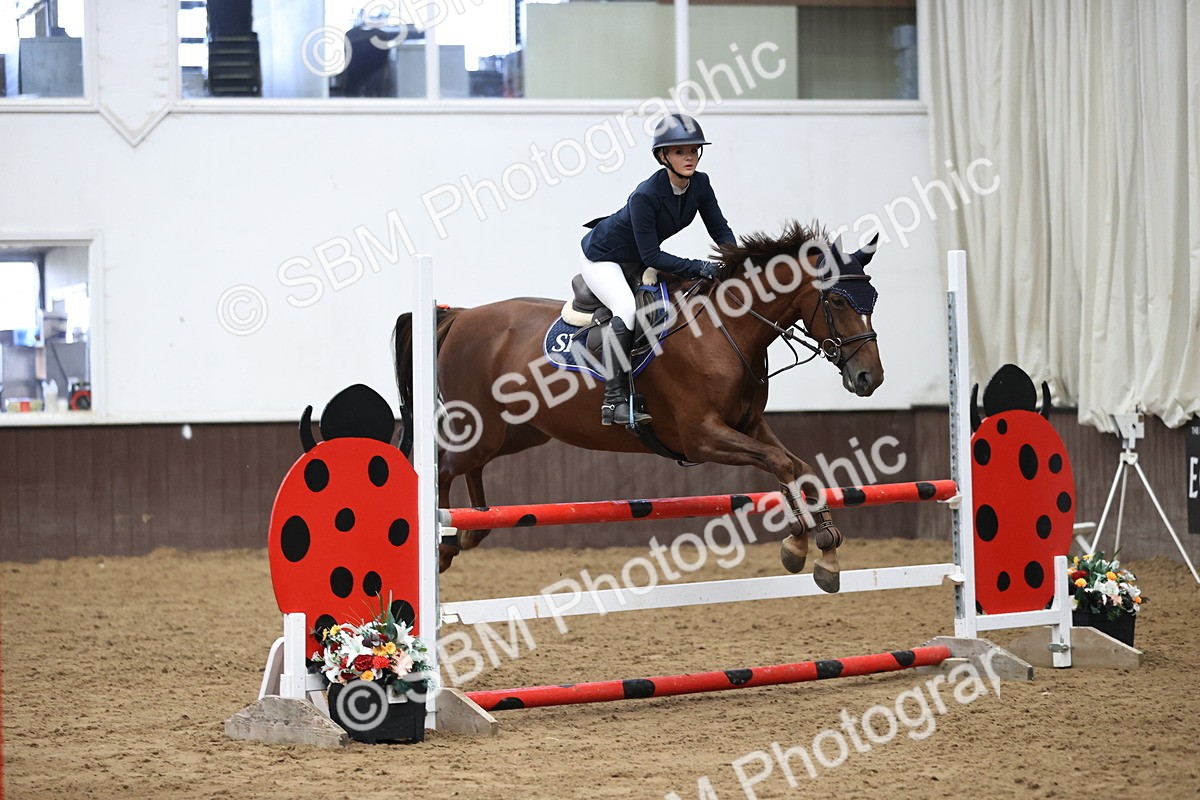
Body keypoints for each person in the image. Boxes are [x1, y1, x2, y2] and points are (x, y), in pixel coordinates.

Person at [580, 113, 735, 427]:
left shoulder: (700, 184)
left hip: (638, 257)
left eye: (693, 150)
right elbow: (653, 254)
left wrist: (738, 261)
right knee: (625, 308)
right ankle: (614, 403)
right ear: (663, 156)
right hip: (604, 257)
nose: (689, 157)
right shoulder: (645, 196)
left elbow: (720, 230)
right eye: (680, 152)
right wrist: (700, 267)